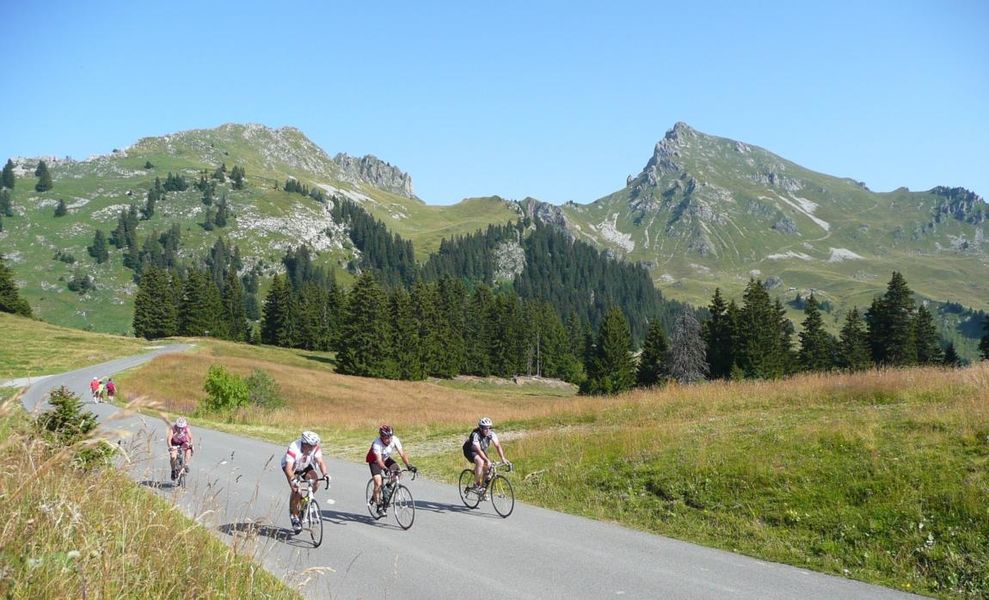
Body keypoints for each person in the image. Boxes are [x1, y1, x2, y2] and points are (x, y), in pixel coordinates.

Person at [281, 431, 329, 534]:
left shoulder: (315, 447)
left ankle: (306, 501)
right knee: (297, 490)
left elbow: (320, 462)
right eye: (311, 446)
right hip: (292, 467)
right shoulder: (294, 448)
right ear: (304, 443)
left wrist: (325, 474)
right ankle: (294, 516)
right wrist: (293, 480)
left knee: (316, 482)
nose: (313, 448)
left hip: (305, 465)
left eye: (315, 445)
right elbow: (289, 469)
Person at [365, 425, 416, 517]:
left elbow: (402, 454)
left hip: (386, 458)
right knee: (378, 482)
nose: (389, 440)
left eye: (390, 437)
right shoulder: (377, 444)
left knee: (398, 471)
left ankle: (387, 487)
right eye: (386, 438)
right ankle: (379, 506)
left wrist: (408, 465)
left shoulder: (394, 440)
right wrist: (385, 469)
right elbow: (379, 461)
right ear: (381, 437)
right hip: (375, 461)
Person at [462, 417, 511, 493]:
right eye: (485, 428)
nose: (488, 430)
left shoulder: (491, 434)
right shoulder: (475, 434)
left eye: (489, 427)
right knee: (480, 462)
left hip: (481, 450)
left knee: (488, 468)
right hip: (470, 450)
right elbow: (478, 450)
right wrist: (487, 460)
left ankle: (482, 489)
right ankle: (476, 485)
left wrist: (503, 458)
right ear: (481, 428)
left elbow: (497, 445)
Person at [167, 416, 194, 481]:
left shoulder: (186, 428)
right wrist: (170, 447)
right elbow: (168, 440)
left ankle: (186, 465)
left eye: (182, 428)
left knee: (188, 449)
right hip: (174, 443)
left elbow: (191, 438)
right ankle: (173, 471)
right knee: (173, 456)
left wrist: (191, 444)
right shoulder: (173, 429)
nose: (180, 429)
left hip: (183, 442)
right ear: (176, 426)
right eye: (179, 428)